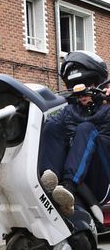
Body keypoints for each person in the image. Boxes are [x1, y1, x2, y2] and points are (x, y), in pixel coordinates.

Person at [40, 50, 110, 216]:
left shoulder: (108, 108)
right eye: (77, 89)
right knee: (50, 126)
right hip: (73, 178)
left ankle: (68, 186)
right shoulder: (69, 112)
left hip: (101, 178)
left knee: (85, 128)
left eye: (87, 86)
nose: (82, 95)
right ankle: (50, 184)